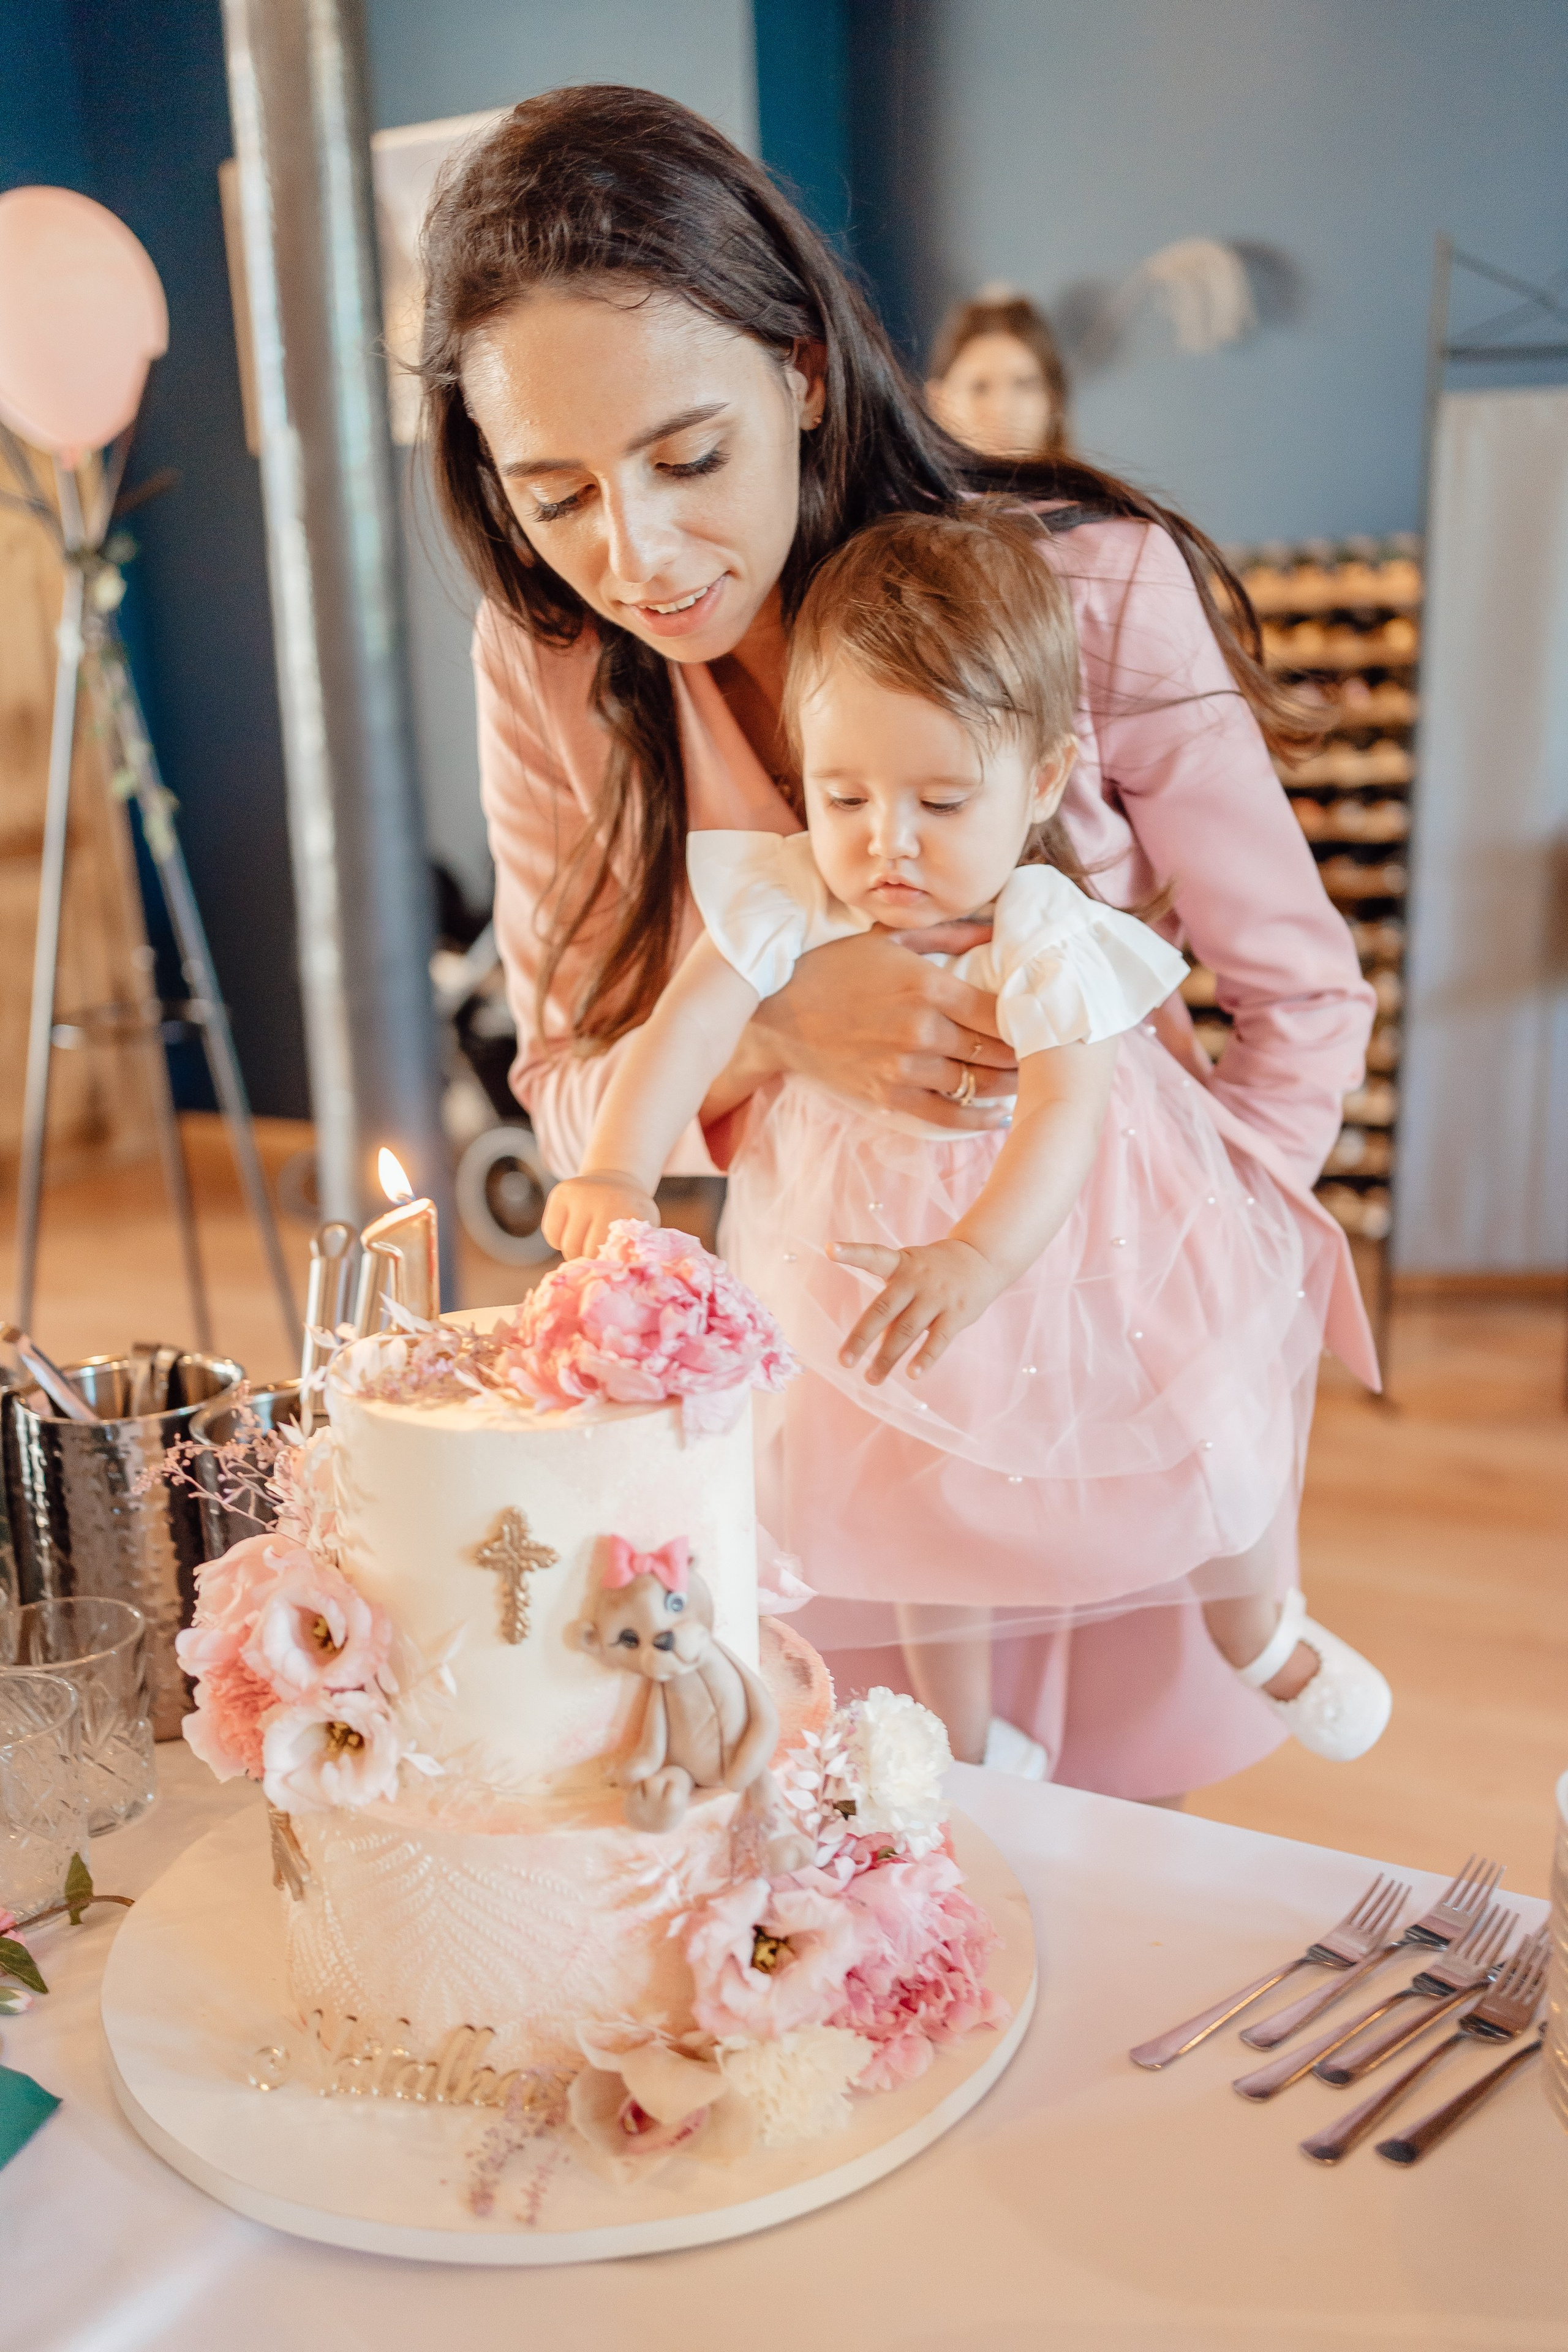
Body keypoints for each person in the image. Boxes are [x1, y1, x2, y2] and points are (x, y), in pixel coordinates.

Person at [419, 84, 1379, 1803]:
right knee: (888, 1836)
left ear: (799, 372)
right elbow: (568, 1083)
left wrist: (1199, 1277)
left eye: (688, 456)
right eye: (555, 492)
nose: (636, 554)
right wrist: (783, 1021)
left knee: (1108, 1881)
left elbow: (1300, 994)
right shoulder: (547, 665)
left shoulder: (1088, 593)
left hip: (1104, 1371)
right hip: (841, 1395)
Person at [542, 508, 1391, 1772]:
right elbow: (688, 1019)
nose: (886, 842)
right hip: (863, 1236)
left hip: (1071, 1237)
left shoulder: (1047, 926)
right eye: (844, 794)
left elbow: (1063, 1109)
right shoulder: (790, 890)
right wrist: (613, 1166)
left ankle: (1257, 1628)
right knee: (912, 1481)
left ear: (1039, 784)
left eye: (940, 801)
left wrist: (979, 1259)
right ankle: (967, 1729)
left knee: (1215, 1409)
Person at [926, 290, 1071, 461]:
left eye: (1024, 385)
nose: (1002, 409)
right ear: (937, 401)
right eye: (979, 388)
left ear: (1054, 398)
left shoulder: (1088, 487)